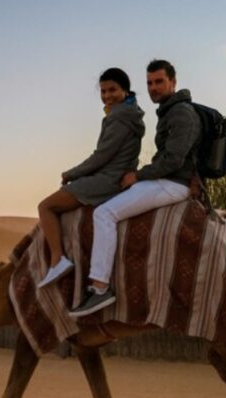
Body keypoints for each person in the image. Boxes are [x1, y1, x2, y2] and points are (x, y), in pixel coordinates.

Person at [70, 59, 199, 317]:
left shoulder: (181, 113)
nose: (153, 87)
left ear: (173, 82)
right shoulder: (169, 111)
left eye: (159, 82)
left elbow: (173, 160)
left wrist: (137, 176)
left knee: (104, 213)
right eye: (150, 82)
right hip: (168, 180)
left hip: (173, 184)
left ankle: (99, 288)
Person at [36, 67, 145, 288]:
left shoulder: (118, 118)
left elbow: (101, 157)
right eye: (103, 92)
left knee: (45, 206)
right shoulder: (132, 113)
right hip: (116, 174)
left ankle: (57, 260)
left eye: (112, 90)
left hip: (108, 179)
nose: (107, 96)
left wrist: (71, 173)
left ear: (125, 89)